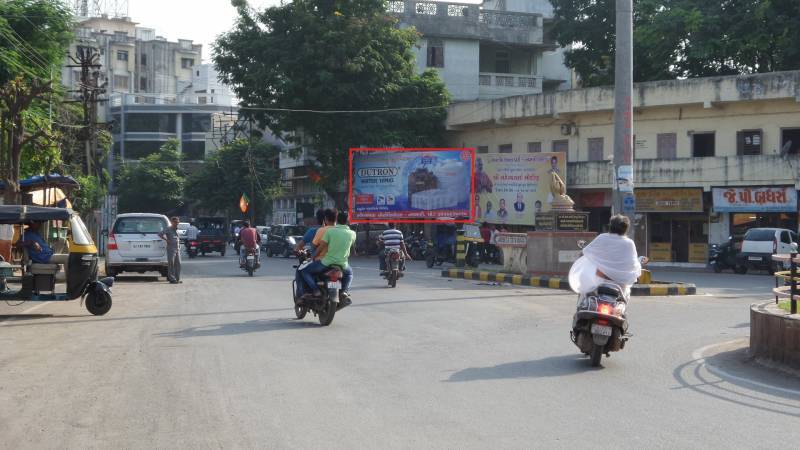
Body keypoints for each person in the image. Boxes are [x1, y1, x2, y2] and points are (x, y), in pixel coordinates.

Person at [569, 215, 648, 299]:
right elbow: (633, 263)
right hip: (620, 284)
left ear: (610, 226)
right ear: (626, 228)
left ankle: (582, 306)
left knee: (584, 293)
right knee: (624, 300)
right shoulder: (629, 243)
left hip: (600, 280)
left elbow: (586, 252)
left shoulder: (602, 237)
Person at [300, 210, 356, 303]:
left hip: (326, 262)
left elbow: (320, 247)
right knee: (349, 274)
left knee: (305, 271)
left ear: (337, 219)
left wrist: (313, 256)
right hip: (343, 264)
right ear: (348, 221)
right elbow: (352, 249)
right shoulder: (352, 233)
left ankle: (316, 290)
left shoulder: (330, 231)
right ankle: (345, 291)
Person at [159, 217, 181, 283]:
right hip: (171, 248)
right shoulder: (168, 228)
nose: (177, 223)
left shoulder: (177, 229)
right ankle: (172, 279)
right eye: (175, 222)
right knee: (171, 264)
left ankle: (177, 279)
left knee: (178, 264)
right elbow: (160, 234)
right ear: (172, 222)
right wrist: (166, 240)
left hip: (177, 248)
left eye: (177, 222)